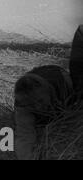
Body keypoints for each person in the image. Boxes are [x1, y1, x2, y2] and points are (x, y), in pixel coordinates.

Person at [14, 25, 83, 160]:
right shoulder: (23, 104)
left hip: (59, 78)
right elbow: (24, 135)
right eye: (32, 105)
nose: (39, 107)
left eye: (40, 101)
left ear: (48, 91)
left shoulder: (66, 84)